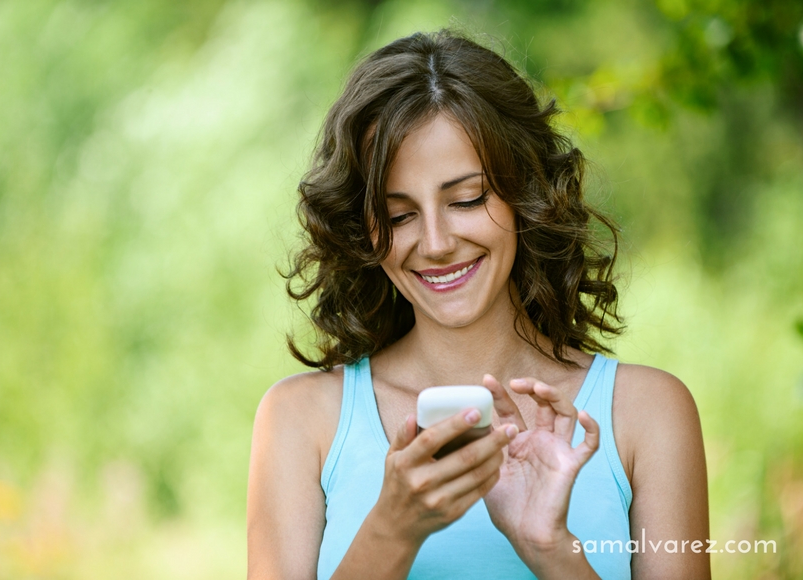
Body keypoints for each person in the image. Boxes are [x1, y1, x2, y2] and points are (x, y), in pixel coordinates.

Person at [247, 29, 710, 579]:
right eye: (399, 215)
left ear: (525, 193)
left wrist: (550, 547)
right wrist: (391, 529)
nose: (437, 242)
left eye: (466, 200)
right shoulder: (300, 420)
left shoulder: (648, 414)